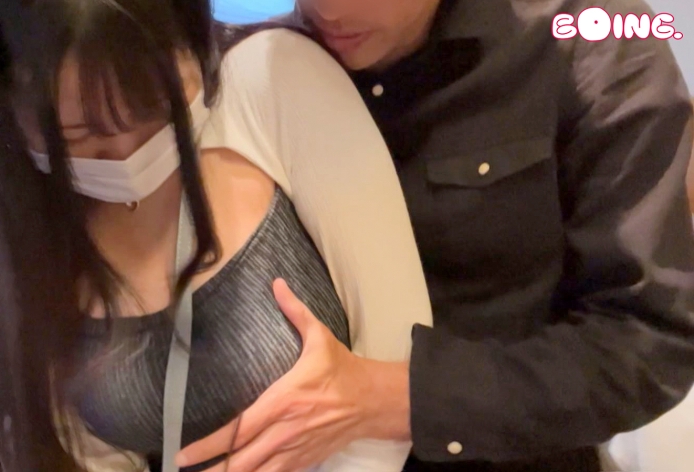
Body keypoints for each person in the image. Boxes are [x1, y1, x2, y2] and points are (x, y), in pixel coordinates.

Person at [178, 1, 694, 471]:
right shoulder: (254, 68)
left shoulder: (594, 41)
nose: (327, 11)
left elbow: (651, 342)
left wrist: (393, 398)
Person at [0, 0, 432, 471]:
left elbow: (397, 356)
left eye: (155, 109)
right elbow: (80, 446)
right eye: (80, 139)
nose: (130, 154)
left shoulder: (276, 79)